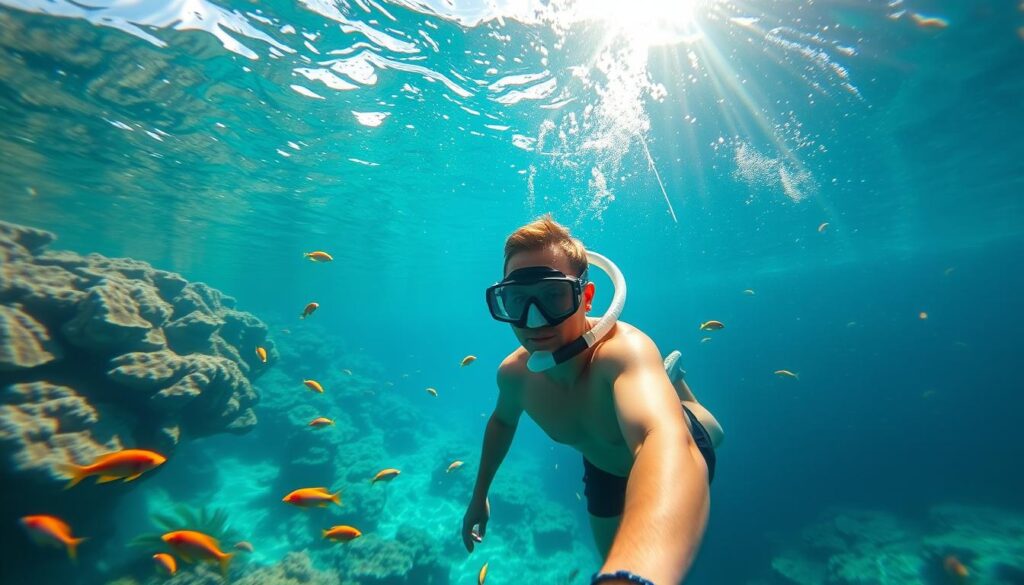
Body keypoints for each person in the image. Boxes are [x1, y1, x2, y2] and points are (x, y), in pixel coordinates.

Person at [461, 215, 723, 585]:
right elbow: (503, 421)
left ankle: (674, 385)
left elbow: (663, 441)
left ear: (585, 298)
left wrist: (636, 574)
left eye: (553, 296)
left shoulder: (624, 352)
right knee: (606, 556)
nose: (533, 320)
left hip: (681, 436)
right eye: (517, 301)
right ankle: (667, 382)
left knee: (711, 427)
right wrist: (479, 495)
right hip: (602, 468)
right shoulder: (514, 376)